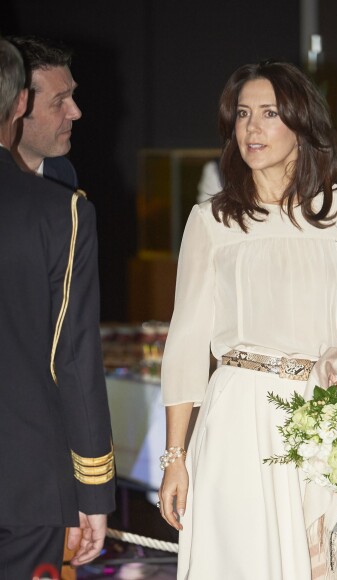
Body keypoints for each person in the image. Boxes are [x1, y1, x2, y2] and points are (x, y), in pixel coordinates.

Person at [157, 60, 337, 580]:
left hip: (325, 420)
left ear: (301, 123)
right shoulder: (211, 220)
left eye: (269, 113)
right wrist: (174, 457)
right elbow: (184, 346)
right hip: (236, 420)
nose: (252, 128)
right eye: (243, 114)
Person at [0, 38, 115, 578]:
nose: (76, 112)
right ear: (18, 103)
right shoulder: (60, 211)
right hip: (24, 482)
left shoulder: (64, 188)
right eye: (58, 100)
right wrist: (90, 488)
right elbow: (71, 359)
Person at [8, 34, 81, 189]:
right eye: (59, 101)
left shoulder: (63, 173)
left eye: (72, 95)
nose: (76, 113)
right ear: (15, 108)